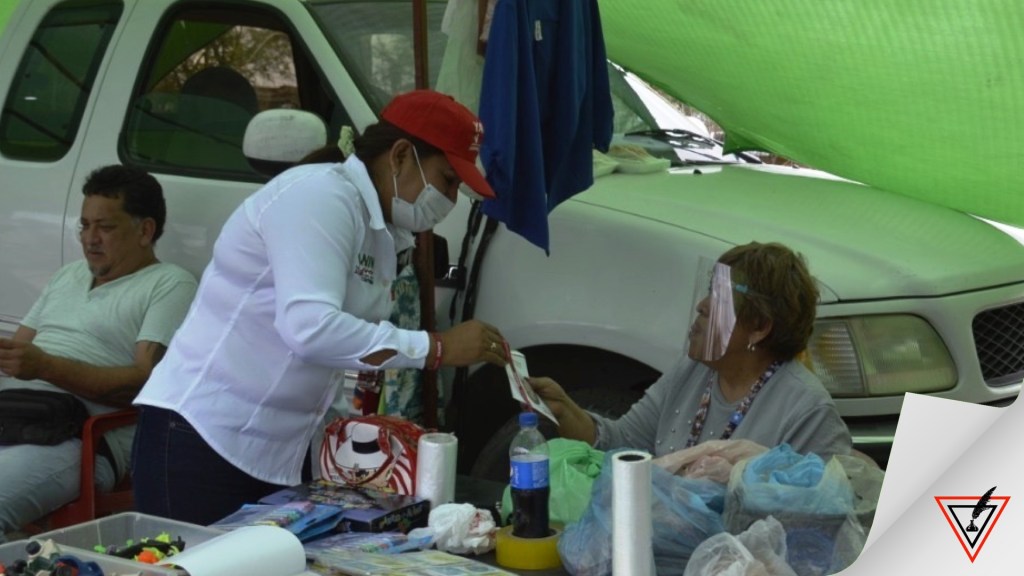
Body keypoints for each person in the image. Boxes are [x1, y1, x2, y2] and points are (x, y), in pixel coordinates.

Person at [132, 89, 510, 525]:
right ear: (401, 156)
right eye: (448, 180)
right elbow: (311, 329)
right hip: (203, 438)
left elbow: (341, 344)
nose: (451, 198)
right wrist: (435, 348)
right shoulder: (320, 197)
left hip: (276, 450)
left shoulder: (381, 229)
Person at [0, 165, 197, 538]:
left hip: (79, 438)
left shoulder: (169, 284)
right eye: (85, 226)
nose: (90, 239)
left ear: (145, 231)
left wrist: (46, 367)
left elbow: (145, 384)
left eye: (105, 227)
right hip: (16, 416)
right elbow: (17, 351)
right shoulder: (69, 275)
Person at [531, 241, 851, 458]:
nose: (702, 306)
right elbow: (622, 445)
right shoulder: (694, 372)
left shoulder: (807, 411)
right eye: (708, 292)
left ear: (759, 327)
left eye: (720, 299)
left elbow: (820, 515)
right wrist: (564, 410)